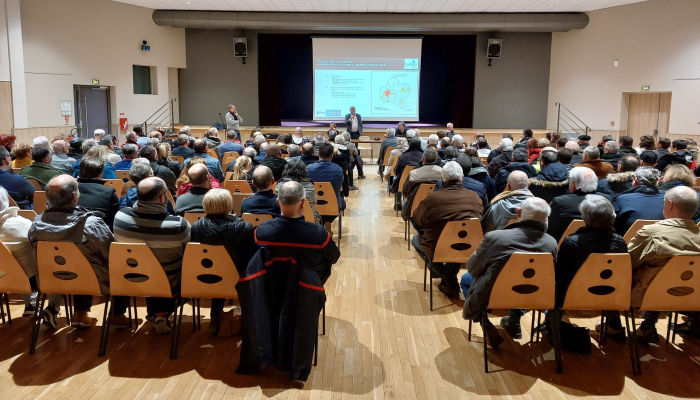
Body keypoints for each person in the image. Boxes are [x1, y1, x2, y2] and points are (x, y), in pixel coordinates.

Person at [29, 175, 130, 329]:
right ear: (75, 196)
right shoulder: (91, 224)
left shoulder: (36, 224)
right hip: (92, 281)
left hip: (52, 279)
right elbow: (112, 254)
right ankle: (116, 315)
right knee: (118, 264)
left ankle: (80, 314)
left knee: (78, 263)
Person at [606, 186, 700, 343]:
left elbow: (625, 262)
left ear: (669, 204)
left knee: (613, 271)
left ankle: (614, 325)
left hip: (645, 296)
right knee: (659, 275)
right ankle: (647, 326)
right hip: (691, 298)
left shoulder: (651, 233)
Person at [462, 197, 557, 346]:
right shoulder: (551, 243)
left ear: (518, 212)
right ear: (546, 219)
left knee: (465, 279)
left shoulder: (495, 237)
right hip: (533, 295)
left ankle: (484, 323)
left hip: (494, 294)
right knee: (521, 280)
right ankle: (514, 322)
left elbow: (472, 268)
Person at [114, 177, 191, 333]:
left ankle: (157, 313)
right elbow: (190, 251)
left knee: (149, 267)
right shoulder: (178, 225)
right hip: (168, 283)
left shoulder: (120, 218)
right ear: (163, 197)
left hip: (129, 279)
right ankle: (161, 312)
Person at [555, 195, 628, 339]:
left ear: (586, 219)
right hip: (611, 294)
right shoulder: (620, 243)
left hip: (573, 296)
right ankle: (614, 324)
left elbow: (559, 275)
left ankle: (552, 323)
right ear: (611, 217)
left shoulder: (571, 242)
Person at [412, 161, 483, 297]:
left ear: (442, 179)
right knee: (456, 247)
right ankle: (448, 279)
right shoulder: (475, 197)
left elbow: (418, 219)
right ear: (462, 178)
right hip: (469, 245)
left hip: (438, 246)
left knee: (416, 239)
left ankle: (446, 278)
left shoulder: (432, 199)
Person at [191, 189, 256, 332]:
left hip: (204, 279)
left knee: (217, 267)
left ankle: (215, 318)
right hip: (238, 281)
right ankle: (248, 321)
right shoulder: (245, 227)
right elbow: (250, 257)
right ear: (229, 205)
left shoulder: (196, 227)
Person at [0, 186, 62, 317]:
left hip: (2, 279)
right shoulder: (22, 224)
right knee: (55, 264)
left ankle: (32, 305)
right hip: (30, 281)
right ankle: (50, 308)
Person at [548, 167, 612, 242]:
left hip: (566, 247)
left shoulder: (560, 201)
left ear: (574, 184)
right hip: (602, 245)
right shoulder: (606, 199)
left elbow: (550, 229)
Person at [613, 166, 664, 235]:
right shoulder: (667, 199)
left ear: (635, 179)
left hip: (628, 242)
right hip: (660, 241)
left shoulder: (622, 199)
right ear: (657, 182)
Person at [76, 157, 120, 229]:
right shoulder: (109, 192)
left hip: (70, 233)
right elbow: (113, 221)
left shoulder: (69, 189)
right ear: (100, 174)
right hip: (98, 233)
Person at [400, 149, 442, 219]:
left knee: (405, 203)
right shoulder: (443, 173)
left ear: (422, 159)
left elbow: (405, 192)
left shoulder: (413, 173)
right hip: (437, 207)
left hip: (415, 207)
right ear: (436, 159)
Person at [307, 143, 345, 220]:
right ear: (331, 156)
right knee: (342, 201)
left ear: (318, 154)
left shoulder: (308, 168)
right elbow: (338, 188)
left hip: (312, 205)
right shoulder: (338, 170)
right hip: (333, 205)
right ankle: (326, 224)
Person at [279, 158, 321, 224]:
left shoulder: (279, 185)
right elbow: (314, 201)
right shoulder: (310, 185)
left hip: (283, 221)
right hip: (308, 220)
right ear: (304, 170)